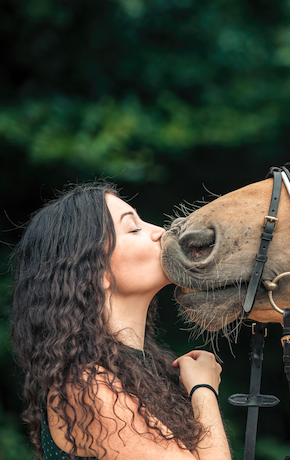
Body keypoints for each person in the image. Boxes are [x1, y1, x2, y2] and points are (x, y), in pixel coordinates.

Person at [11, 182, 232, 460]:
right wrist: (204, 389)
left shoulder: (143, 372)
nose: (160, 233)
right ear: (94, 272)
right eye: (134, 228)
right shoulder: (86, 386)